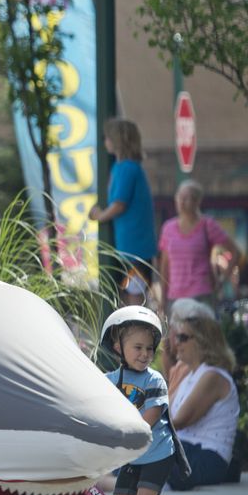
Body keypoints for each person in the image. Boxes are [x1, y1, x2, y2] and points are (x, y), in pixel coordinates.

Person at [99, 306, 175, 495]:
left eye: (149, 349)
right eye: (137, 347)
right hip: (133, 455)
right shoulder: (109, 380)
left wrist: (129, 431)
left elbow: (151, 416)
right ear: (118, 347)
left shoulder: (155, 380)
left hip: (156, 452)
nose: (145, 354)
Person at [167, 313, 240, 490]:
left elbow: (178, 422)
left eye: (183, 337)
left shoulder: (213, 375)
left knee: (145, 455)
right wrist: (175, 377)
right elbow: (165, 411)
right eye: (177, 337)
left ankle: (109, 486)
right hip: (187, 449)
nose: (177, 343)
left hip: (207, 456)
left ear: (203, 341)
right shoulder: (191, 372)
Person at [89, 118, 156, 306]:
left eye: (107, 137)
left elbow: (119, 204)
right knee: (127, 295)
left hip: (135, 247)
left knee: (134, 298)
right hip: (128, 246)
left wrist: (99, 216)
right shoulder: (122, 167)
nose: (105, 141)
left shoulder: (128, 168)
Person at [158, 180, 241, 314]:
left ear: (197, 201)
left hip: (201, 294)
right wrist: (162, 298)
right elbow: (164, 266)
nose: (181, 201)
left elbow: (235, 252)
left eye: (186, 198)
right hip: (175, 297)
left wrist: (222, 280)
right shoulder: (168, 228)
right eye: (179, 197)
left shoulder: (207, 225)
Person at [161, 297, 217, 394]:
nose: (170, 335)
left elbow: (172, 408)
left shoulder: (202, 371)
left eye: (182, 336)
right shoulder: (180, 366)